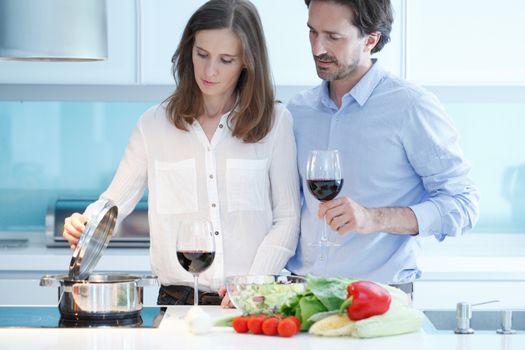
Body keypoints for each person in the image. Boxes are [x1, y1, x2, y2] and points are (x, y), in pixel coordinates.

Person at [62, 0, 300, 307]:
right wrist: (85, 224)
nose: (209, 70)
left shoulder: (276, 123)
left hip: (254, 301)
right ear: (189, 49)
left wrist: (253, 284)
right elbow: (114, 204)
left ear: (247, 62)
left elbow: (287, 219)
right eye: (201, 54)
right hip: (178, 303)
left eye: (226, 59)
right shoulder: (153, 125)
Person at [286, 0, 480, 289]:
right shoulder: (298, 111)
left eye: (333, 37)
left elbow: (464, 204)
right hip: (298, 294)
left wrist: (374, 218)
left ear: (371, 40)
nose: (317, 48)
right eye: (312, 32)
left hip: (378, 301)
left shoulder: (411, 107)